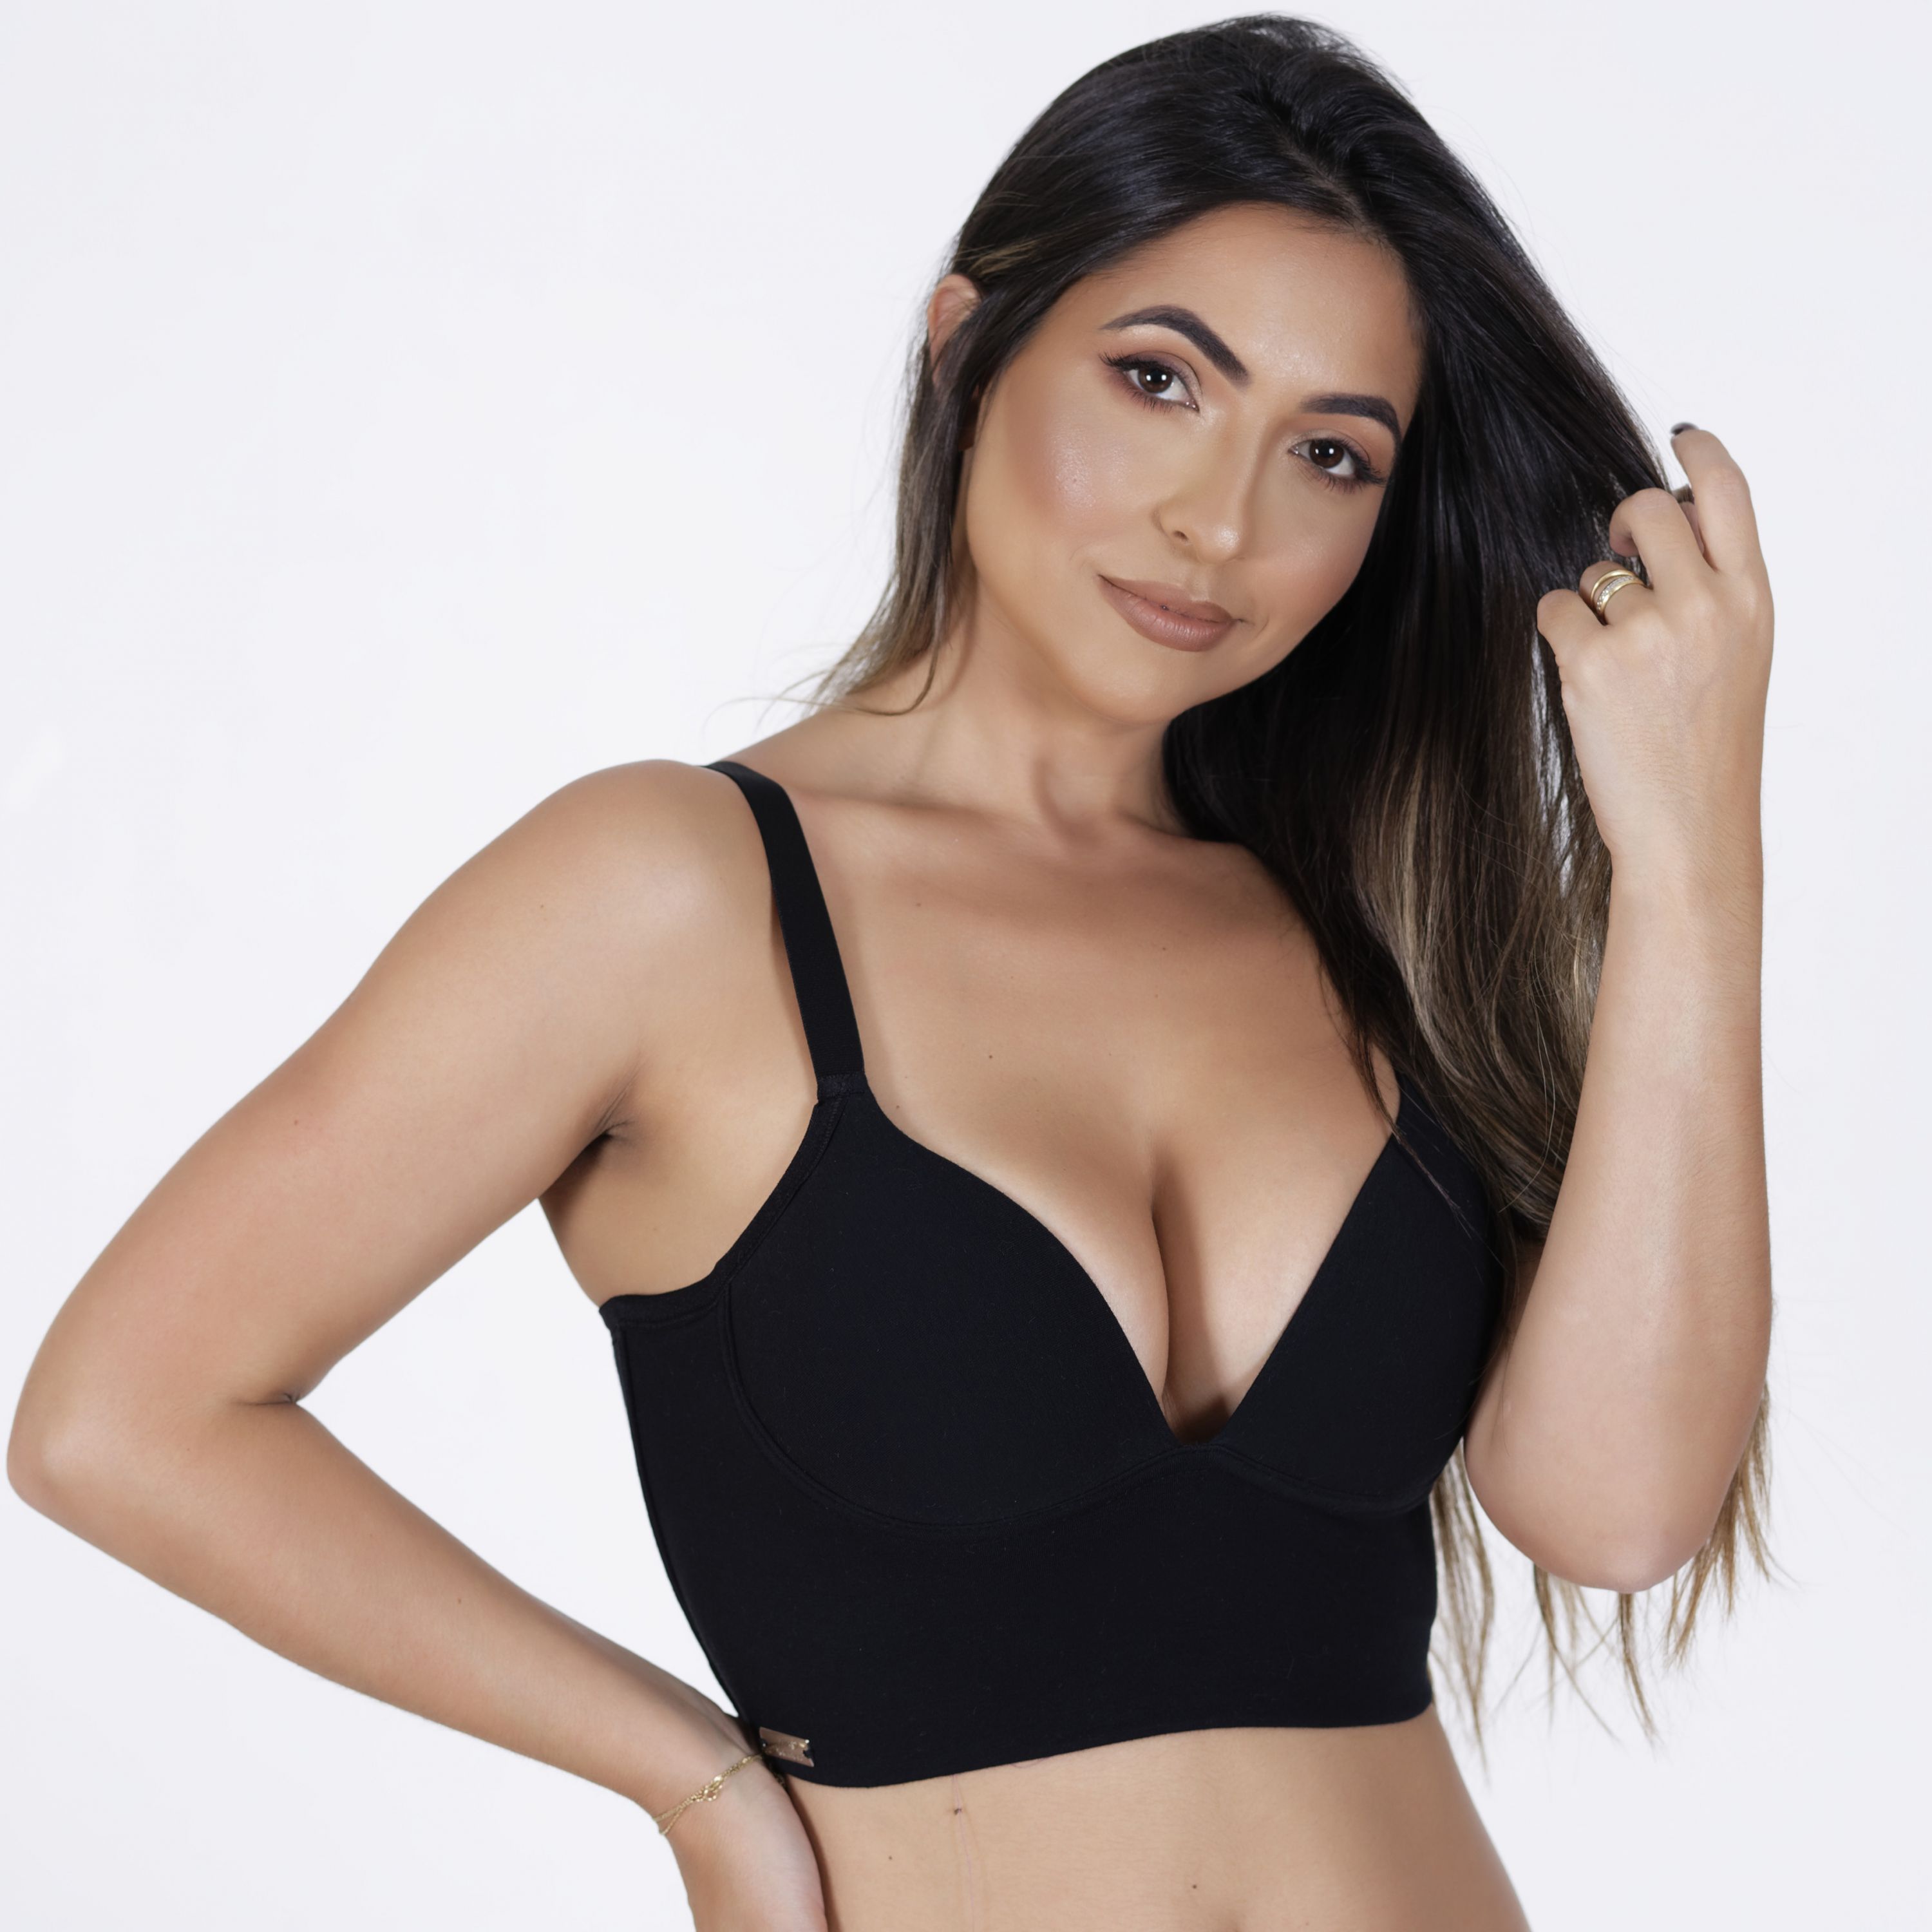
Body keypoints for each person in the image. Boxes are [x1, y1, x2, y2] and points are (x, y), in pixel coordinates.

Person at [8, 16, 1773, 1930]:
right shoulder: (674, 898)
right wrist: (694, 1784)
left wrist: (1694, 859)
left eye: (1330, 455)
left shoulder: (1367, 923)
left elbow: (1613, 1511)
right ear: (965, 347)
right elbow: (127, 1415)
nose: (1222, 522)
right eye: (1160, 380)